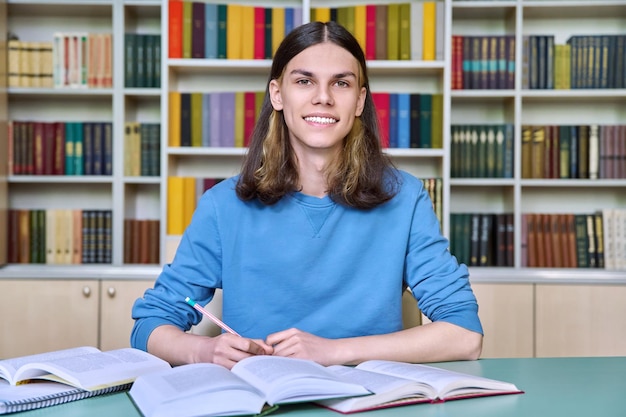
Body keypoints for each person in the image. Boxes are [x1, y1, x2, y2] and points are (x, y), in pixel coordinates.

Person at [131, 21, 483, 370]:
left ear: (359, 100)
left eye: (341, 83)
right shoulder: (223, 205)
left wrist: (333, 351)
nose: (323, 98)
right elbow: (150, 325)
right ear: (277, 94)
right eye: (304, 81)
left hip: (371, 401)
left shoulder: (405, 198)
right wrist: (204, 352)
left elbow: (465, 335)